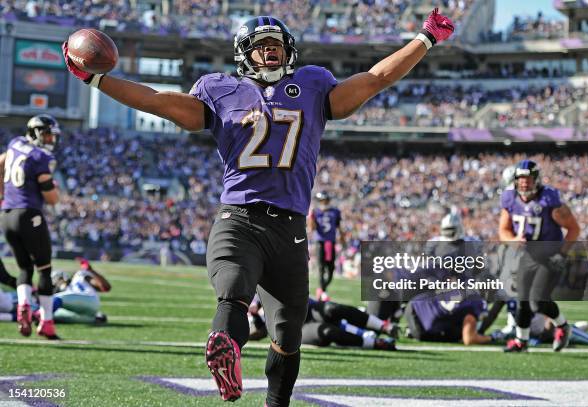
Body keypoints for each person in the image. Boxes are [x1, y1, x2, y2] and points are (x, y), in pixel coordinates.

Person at [63, 11, 454, 405]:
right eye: (261, 46)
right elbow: (157, 101)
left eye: (276, 45)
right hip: (239, 217)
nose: (270, 52)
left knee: (287, 333)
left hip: (290, 229)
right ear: (244, 54)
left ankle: (274, 401)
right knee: (232, 291)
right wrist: (97, 78)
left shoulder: (314, 84)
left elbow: (375, 79)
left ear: (289, 51)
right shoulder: (218, 90)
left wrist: (424, 39)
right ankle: (226, 350)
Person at [499, 159, 580, 352]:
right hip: (529, 254)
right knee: (523, 301)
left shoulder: (549, 200)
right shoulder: (510, 199)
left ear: (537, 179)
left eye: (528, 179)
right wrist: (513, 240)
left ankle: (562, 326)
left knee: (537, 301)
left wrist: (562, 254)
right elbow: (503, 231)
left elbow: (574, 229)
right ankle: (522, 341)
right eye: (521, 179)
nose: (524, 183)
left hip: (551, 254)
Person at [0, 114, 61, 340]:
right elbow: (51, 198)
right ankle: (46, 322)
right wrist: (56, 194)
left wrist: (3, 195)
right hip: (29, 214)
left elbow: (1, 162)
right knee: (44, 268)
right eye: (46, 134)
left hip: (7, 214)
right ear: (35, 132)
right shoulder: (40, 156)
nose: (50, 139)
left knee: (25, 268)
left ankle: (23, 306)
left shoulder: (15, 143)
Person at [249, 295, 399, 350]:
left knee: (331, 308)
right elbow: (257, 333)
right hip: (297, 328)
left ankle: (382, 325)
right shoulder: (243, 309)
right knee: (327, 332)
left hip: (309, 309)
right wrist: (255, 314)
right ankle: (375, 343)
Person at [48, 258, 111, 324]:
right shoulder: (65, 293)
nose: (56, 284)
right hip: (85, 310)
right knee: (54, 314)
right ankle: (95, 318)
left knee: (55, 299)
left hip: (89, 299)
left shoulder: (79, 277)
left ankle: (42, 318)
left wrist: (91, 270)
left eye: (57, 280)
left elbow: (105, 287)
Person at [308, 191, 343, 301]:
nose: (323, 202)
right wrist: (311, 218)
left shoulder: (335, 212)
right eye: (321, 200)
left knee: (331, 267)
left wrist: (343, 239)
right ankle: (322, 291)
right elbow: (312, 228)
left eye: (325, 200)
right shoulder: (315, 212)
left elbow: (339, 227)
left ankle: (322, 288)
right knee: (321, 267)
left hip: (331, 242)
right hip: (320, 242)